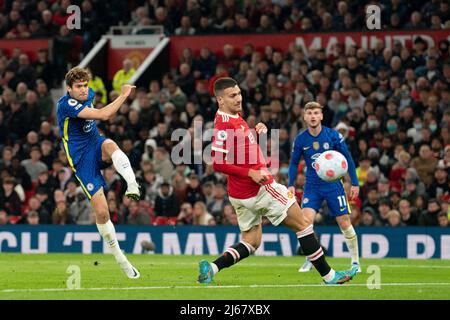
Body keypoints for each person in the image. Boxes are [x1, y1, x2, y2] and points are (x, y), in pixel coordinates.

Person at [197, 78, 357, 285]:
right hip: (259, 188)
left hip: (239, 194)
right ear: (220, 100)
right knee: (304, 225)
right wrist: (251, 174)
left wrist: (254, 133)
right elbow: (217, 164)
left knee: (252, 242)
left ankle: (212, 267)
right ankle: (329, 276)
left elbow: (239, 148)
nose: (238, 98)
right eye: (232, 95)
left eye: (238, 93)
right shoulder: (224, 125)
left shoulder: (233, 118)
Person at [56, 67, 140, 279]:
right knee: (102, 213)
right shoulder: (66, 105)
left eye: (85, 86)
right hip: (82, 160)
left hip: (95, 143)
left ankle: (132, 184)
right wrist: (123, 95)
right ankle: (121, 259)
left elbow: (100, 111)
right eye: (79, 87)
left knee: (111, 145)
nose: (84, 90)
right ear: (69, 89)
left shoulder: (89, 94)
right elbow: (105, 114)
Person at [288, 101, 361, 273]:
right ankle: (311, 259)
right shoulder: (301, 139)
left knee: (344, 222)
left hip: (334, 186)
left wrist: (355, 183)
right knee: (305, 224)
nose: (313, 116)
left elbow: (348, 158)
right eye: (309, 113)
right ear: (305, 117)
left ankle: (355, 262)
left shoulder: (333, 136)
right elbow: (292, 164)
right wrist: (290, 184)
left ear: (321, 116)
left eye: (316, 113)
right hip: (312, 187)